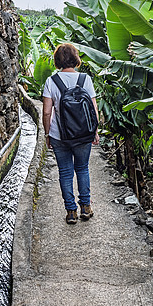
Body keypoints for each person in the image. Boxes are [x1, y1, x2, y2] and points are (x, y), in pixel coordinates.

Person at [42, 43, 100, 224]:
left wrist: (47, 134)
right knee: (82, 169)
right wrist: (94, 131)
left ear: (57, 60)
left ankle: (71, 212)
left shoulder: (51, 81)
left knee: (65, 172)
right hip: (83, 134)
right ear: (75, 59)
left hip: (60, 136)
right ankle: (85, 207)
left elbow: (46, 112)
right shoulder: (85, 79)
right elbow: (93, 109)